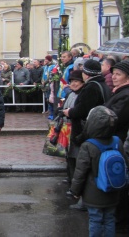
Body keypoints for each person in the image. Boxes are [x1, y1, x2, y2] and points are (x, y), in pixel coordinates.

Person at [70, 106, 129, 237]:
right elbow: (125, 162)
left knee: (95, 219)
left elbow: (81, 171)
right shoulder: (117, 141)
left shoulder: (88, 145)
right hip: (113, 190)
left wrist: (75, 191)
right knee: (109, 218)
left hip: (94, 191)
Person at [63, 59, 111, 210]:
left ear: (87, 74)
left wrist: (69, 112)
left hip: (89, 132)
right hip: (99, 131)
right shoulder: (102, 85)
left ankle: (85, 200)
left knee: (85, 166)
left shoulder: (91, 87)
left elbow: (82, 110)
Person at [104, 60, 129, 233]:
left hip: (118, 142)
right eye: (113, 73)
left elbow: (116, 117)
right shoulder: (118, 92)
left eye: (118, 74)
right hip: (115, 141)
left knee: (120, 181)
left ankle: (120, 220)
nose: (113, 76)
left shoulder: (125, 95)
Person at [60, 70, 85, 185]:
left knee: (76, 157)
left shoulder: (83, 94)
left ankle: (75, 183)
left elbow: (78, 111)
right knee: (68, 155)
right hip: (67, 129)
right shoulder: (71, 94)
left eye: (76, 81)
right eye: (72, 81)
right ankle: (70, 178)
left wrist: (68, 113)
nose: (74, 84)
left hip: (76, 129)